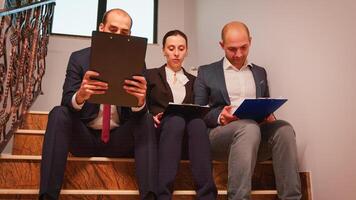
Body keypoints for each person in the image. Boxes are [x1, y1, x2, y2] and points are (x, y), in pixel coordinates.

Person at [39, 9, 157, 200]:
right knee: (58, 113)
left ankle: (151, 196)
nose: (118, 36)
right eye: (112, 29)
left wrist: (140, 102)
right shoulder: (78, 58)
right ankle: (47, 196)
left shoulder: (137, 63)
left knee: (146, 118)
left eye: (124, 33)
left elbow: (139, 114)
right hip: (84, 137)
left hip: (119, 140)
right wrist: (81, 95)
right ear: (101, 29)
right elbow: (67, 102)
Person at [194, 21, 302, 200]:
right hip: (219, 136)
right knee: (249, 127)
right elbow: (199, 112)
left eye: (243, 47)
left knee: (284, 128)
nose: (238, 54)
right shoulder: (206, 72)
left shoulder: (260, 72)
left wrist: (269, 113)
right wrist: (221, 116)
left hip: (253, 136)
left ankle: (292, 197)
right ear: (222, 46)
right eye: (232, 49)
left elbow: (265, 103)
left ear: (250, 41)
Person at [145, 30, 217, 200]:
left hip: (189, 135)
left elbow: (200, 107)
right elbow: (142, 105)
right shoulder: (150, 75)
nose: (176, 53)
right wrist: (150, 116)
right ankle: (163, 194)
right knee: (175, 121)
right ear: (163, 50)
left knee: (198, 124)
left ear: (187, 50)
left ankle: (207, 195)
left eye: (181, 48)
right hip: (161, 131)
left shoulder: (195, 80)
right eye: (171, 48)